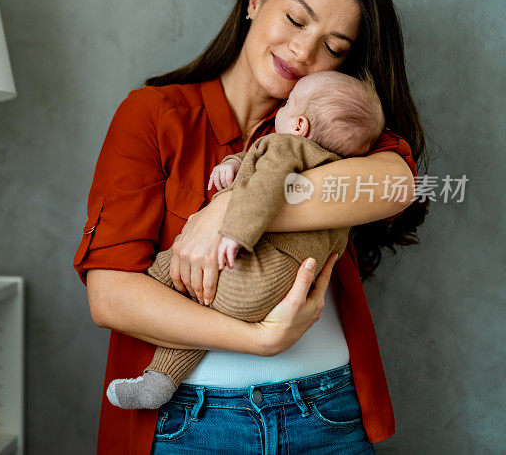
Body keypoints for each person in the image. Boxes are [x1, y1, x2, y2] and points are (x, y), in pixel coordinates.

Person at [73, 0, 427, 454]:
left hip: (328, 413)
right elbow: (110, 298)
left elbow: (394, 185)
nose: (304, 52)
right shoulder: (153, 114)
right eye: (296, 18)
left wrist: (227, 211)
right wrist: (260, 340)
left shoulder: (337, 124)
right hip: (187, 423)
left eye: (334, 47)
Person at [106, 70, 388, 411]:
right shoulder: (338, 173)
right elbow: (269, 167)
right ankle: (159, 381)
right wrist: (233, 163)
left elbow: (266, 183)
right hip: (277, 297)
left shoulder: (285, 144)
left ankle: (156, 338)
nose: (278, 108)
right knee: (203, 309)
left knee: (176, 277)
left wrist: (234, 231)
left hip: (249, 275)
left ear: (300, 126)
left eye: (287, 104)